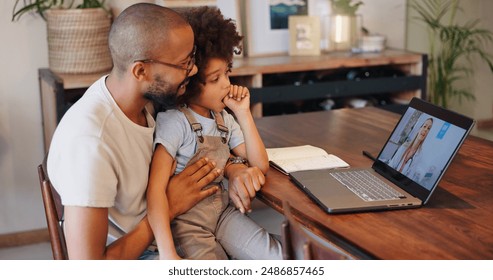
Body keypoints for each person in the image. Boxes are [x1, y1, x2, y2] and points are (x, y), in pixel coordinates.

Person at [46, 3, 263, 260]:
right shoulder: (90, 142)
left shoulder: (143, 99)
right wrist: (169, 206)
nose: (193, 71)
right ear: (141, 70)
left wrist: (234, 165)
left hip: (179, 230)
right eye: (184, 63)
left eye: (192, 58)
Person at [146, 6, 282, 260]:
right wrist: (167, 253)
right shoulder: (174, 122)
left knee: (278, 256)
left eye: (227, 73)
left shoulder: (224, 119)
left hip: (223, 215)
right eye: (215, 78)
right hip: (188, 226)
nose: (227, 84)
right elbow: (154, 192)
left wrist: (244, 113)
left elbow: (260, 164)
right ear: (189, 84)